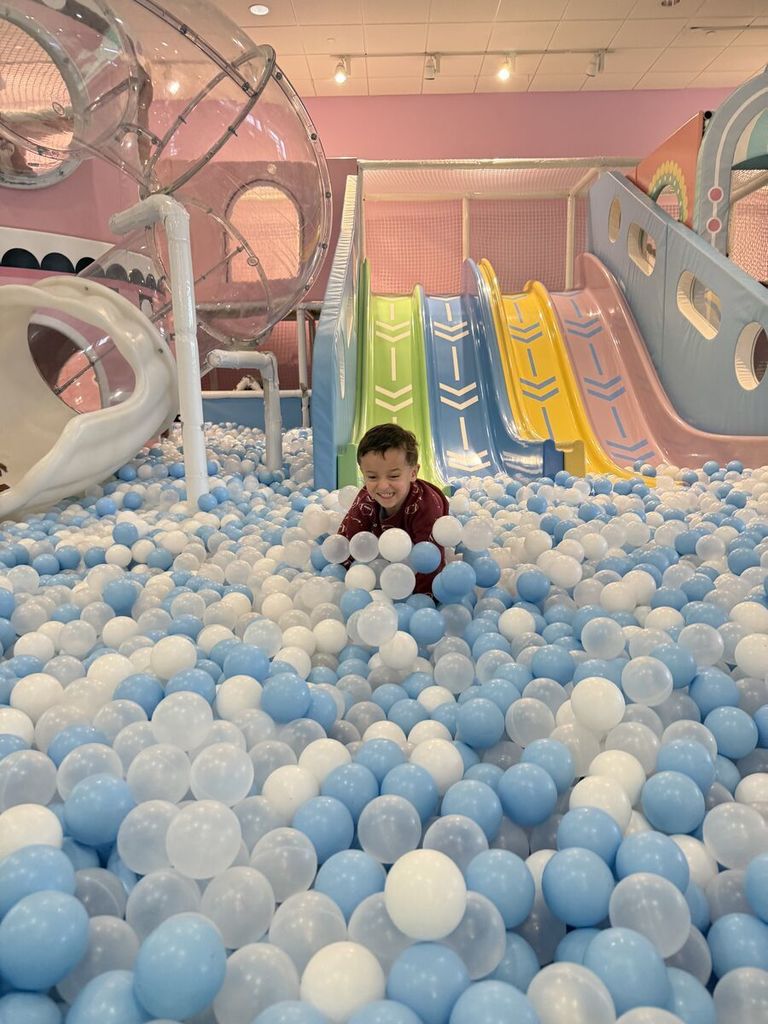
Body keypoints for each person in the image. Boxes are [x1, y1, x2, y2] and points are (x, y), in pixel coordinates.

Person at [338, 424, 449, 595]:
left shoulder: (426, 508)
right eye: (372, 477)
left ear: (413, 473)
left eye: (394, 476)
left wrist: (414, 600)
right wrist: (344, 578)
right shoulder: (366, 500)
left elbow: (430, 562)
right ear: (363, 473)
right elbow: (346, 543)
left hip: (421, 529)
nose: (383, 486)